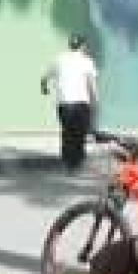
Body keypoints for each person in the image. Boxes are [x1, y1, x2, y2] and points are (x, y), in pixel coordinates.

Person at [41, 35, 99, 172]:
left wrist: (44, 89)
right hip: (81, 103)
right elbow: (91, 83)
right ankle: (77, 162)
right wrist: (95, 100)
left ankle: (68, 162)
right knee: (80, 133)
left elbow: (44, 77)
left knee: (68, 132)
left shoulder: (59, 59)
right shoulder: (87, 61)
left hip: (64, 104)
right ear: (82, 46)